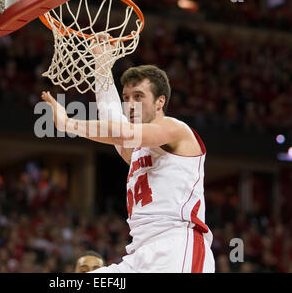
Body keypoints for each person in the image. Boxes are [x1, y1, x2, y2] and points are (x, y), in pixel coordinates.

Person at [41, 34, 215, 273]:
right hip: (140, 252)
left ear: (159, 102)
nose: (130, 104)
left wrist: (69, 124)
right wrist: (101, 66)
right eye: (126, 98)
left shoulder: (175, 129)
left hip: (176, 246)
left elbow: (121, 132)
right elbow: (113, 122)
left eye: (139, 97)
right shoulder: (136, 150)